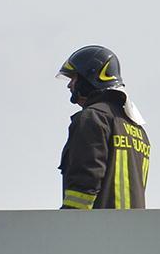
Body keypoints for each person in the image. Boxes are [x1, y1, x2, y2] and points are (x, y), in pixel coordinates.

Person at [56, 45, 150, 209]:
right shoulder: (137, 130)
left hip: (98, 229)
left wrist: (68, 220)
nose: (69, 85)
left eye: (74, 78)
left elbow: (85, 179)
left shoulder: (93, 118)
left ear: (88, 79)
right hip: (134, 231)